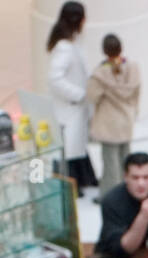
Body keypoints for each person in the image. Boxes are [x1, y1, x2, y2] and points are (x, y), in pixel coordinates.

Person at [46, 2, 97, 196]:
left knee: (77, 145)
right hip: (71, 107)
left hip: (75, 106)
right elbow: (54, 78)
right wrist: (79, 95)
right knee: (72, 147)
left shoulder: (69, 42)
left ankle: (83, 180)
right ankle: (73, 185)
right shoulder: (65, 48)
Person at [87, 34, 142, 202]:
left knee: (111, 165)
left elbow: (91, 96)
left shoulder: (100, 74)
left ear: (104, 51)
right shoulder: (132, 68)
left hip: (108, 124)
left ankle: (110, 197)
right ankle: (131, 191)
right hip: (126, 121)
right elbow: (136, 94)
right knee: (126, 161)